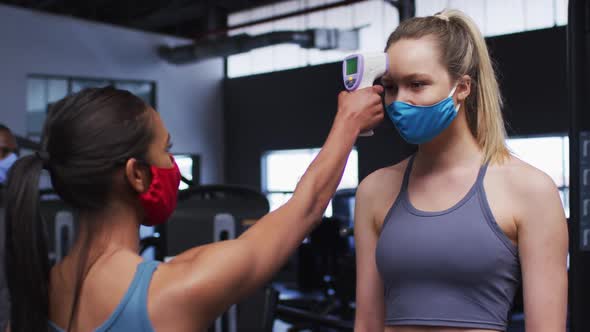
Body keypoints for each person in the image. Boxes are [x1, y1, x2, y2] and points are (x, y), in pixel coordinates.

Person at [4, 84, 384, 332]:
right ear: (137, 175)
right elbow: (305, 208)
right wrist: (348, 122)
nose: (173, 166)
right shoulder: (173, 291)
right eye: (166, 150)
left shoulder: (43, 283)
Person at [354, 9, 568, 332]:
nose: (399, 101)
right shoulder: (374, 190)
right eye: (392, 87)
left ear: (462, 87)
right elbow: (367, 323)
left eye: (417, 84)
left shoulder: (530, 190)